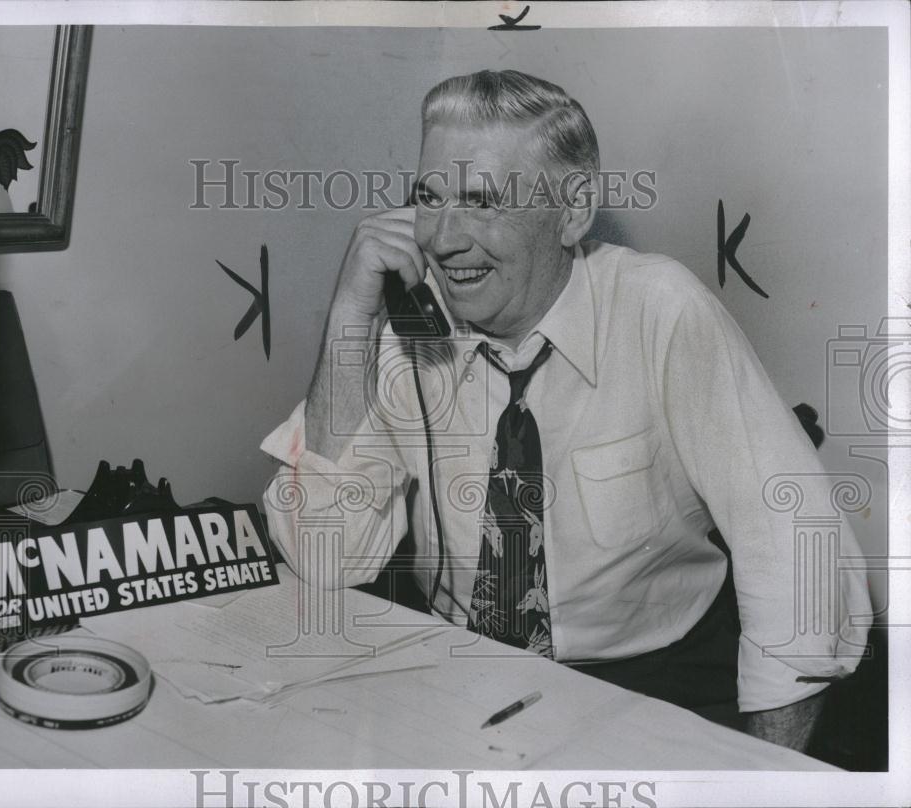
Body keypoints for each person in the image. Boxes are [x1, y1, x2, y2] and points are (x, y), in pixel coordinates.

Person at [260, 69, 870, 752]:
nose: (442, 237)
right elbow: (325, 558)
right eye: (427, 198)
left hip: (653, 682)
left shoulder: (660, 309)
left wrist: (764, 778)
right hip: (459, 680)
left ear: (573, 210)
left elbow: (797, 554)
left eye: (482, 201)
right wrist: (352, 312)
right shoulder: (413, 325)